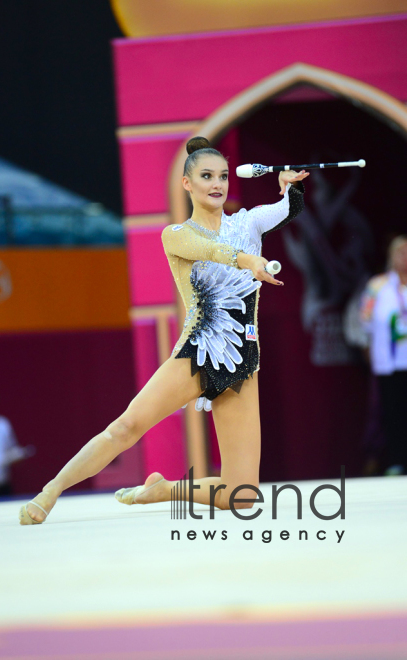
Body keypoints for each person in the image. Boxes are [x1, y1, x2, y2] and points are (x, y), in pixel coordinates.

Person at [19, 136, 308, 525]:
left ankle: (163, 490)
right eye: (206, 176)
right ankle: (50, 492)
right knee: (125, 427)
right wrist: (247, 261)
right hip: (198, 351)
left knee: (242, 497)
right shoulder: (175, 234)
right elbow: (210, 250)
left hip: (242, 360)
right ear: (187, 183)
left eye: (222, 175)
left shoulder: (248, 221)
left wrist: (292, 185)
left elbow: (290, 208)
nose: (217, 184)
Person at [360, 235, 407, 475]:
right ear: (391, 256)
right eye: (401, 252)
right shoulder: (377, 286)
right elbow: (365, 319)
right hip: (389, 360)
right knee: (393, 411)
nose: (405, 258)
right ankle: (397, 460)